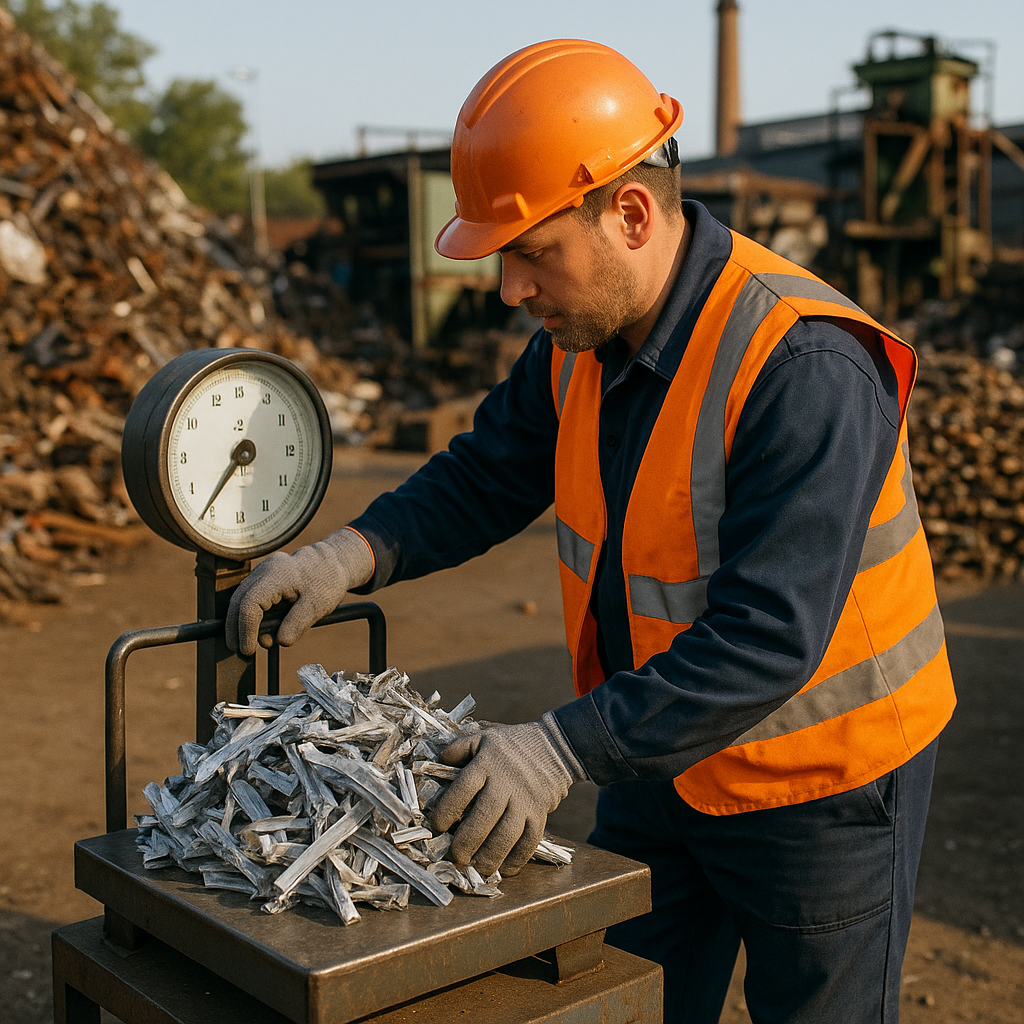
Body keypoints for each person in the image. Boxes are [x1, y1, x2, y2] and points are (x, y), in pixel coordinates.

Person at [226, 39, 956, 1024]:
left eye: (532, 253)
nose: (509, 289)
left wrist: (557, 751)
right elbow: (487, 472)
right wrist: (347, 555)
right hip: (654, 758)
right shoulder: (579, 338)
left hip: (819, 784)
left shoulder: (803, 365)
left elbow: (768, 635)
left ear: (631, 213)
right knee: (622, 1002)